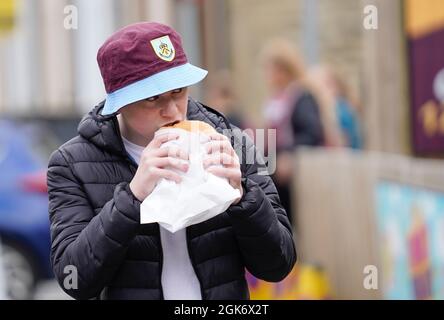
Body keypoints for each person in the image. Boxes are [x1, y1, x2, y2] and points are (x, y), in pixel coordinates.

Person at [47, 22, 296, 300]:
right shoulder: (71, 163)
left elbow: (279, 264)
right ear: (119, 103)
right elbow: (75, 280)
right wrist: (132, 197)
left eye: (179, 91)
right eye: (153, 98)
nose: (172, 110)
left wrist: (243, 198)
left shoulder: (232, 143)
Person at [260, 39, 324, 226]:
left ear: (283, 70)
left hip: (296, 174)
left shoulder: (301, 96)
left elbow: (311, 133)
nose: (267, 75)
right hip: (276, 173)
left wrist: (289, 154)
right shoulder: (277, 99)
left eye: (270, 69)